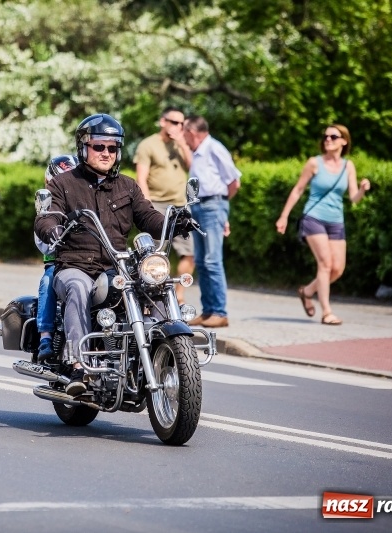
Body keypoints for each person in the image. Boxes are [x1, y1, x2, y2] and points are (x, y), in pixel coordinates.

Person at [34, 114, 167, 395]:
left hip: (114, 267)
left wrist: (175, 221)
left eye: (112, 147)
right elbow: (48, 215)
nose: (106, 153)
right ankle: (77, 364)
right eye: (99, 146)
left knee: (151, 283)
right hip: (74, 264)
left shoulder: (128, 186)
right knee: (77, 286)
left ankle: (162, 350)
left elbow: (148, 216)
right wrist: (51, 228)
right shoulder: (64, 183)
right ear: (84, 147)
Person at [275, 124, 370, 325]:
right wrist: (284, 216)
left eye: (333, 136)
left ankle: (307, 291)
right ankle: (327, 312)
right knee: (325, 264)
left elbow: (354, 198)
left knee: (337, 269)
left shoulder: (348, 166)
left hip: (336, 221)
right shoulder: (314, 163)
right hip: (314, 217)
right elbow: (298, 189)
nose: (328, 139)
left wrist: (362, 189)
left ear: (344, 141)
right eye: (325, 136)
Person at [182, 116, 241, 328]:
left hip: (212, 205)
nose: (183, 138)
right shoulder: (198, 152)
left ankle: (220, 312)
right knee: (201, 261)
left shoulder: (214, 148)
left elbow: (234, 181)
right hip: (199, 206)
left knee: (213, 260)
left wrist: (220, 206)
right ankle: (208, 311)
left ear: (192, 132)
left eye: (184, 133)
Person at [134, 106, 195, 304]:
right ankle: (152, 297)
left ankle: (178, 296)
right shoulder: (148, 145)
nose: (179, 127)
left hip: (181, 205)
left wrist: (183, 144)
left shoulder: (181, 144)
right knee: (154, 254)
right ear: (163, 121)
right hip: (158, 205)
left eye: (182, 124)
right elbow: (141, 178)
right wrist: (147, 205)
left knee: (189, 253)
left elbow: (193, 167)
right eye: (175, 122)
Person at [35, 154, 79, 364]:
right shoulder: (48, 209)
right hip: (58, 263)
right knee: (48, 280)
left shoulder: (89, 201)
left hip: (89, 262)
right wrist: (53, 234)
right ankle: (45, 336)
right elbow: (42, 242)